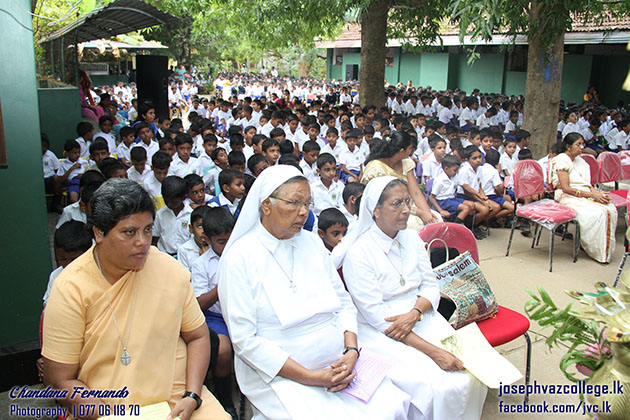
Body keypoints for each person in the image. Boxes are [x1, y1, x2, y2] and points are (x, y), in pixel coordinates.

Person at [217, 165, 410, 420]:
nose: (303, 212)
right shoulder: (239, 258)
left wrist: (351, 350)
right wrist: (310, 377)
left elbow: (343, 302)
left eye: (307, 203)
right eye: (294, 202)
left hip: (341, 359)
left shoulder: (310, 242)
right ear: (266, 205)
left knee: (393, 405)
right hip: (282, 371)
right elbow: (244, 340)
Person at [42, 179, 230, 420]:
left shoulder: (169, 270)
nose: (142, 242)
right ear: (99, 233)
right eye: (129, 232)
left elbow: (198, 336)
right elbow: (60, 379)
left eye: (148, 230)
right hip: (104, 407)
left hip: (177, 401)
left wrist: (192, 395)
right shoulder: (71, 287)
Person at [334, 176, 488, 420]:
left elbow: (430, 285)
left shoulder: (412, 238)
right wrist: (434, 352)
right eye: (396, 204)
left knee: (472, 373)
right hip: (383, 330)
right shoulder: (359, 253)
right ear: (375, 210)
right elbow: (377, 316)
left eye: (407, 201)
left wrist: (415, 312)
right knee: (436, 387)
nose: (406, 210)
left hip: (422, 314)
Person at [190, 207, 237, 418]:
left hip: (240, 312)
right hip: (216, 317)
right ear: (208, 240)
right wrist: (221, 288)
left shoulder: (241, 255)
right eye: (220, 241)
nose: (226, 246)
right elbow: (199, 303)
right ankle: (225, 400)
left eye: (230, 239)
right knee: (223, 350)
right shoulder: (201, 264)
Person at [550, 133, 617, 263]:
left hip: (584, 194)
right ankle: (593, 249)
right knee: (597, 214)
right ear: (568, 147)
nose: (582, 147)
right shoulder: (561, 160)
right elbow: (566, 188)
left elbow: (587, 185)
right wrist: (591, 195)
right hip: (567, 196)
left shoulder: (581, 161)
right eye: (578, 144)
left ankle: (602, 251)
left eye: (582, 144)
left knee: (610, 209)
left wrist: (598, 194)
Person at [361, 131, 440, 228]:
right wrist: (419, 212)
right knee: (414, 225)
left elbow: (415, 192)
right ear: (402, 151)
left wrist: (426, 212)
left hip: (408, 205)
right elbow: (384, 202)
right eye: (410, 149)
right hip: (388, 210)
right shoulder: (376, 168)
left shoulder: (406, 163)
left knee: (436, 219)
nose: (412, 152)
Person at [152, 176, 193, 256]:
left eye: (173, 202)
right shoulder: (159, 215)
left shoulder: (191, 214)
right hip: (165, 255)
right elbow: (155, 238)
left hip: (186, 256)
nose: (169, 204)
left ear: (184, 197)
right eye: (166, 200)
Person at [178, 206, 211, 272]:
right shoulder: (184, 250)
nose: (203, 231)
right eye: (200, 226)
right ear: (191, 229)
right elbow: (185, 278)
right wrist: (202, 260)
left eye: (207, 225)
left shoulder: (217, 246)